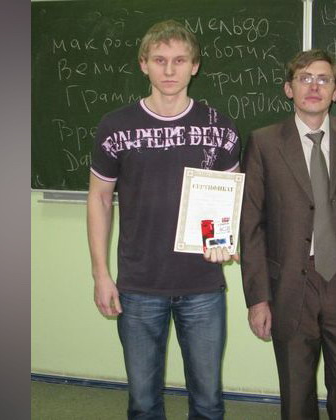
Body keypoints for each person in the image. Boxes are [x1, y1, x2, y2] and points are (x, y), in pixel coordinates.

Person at [86, 20, 240, 420]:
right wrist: (101, 275)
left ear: (195, 66)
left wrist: (222, 240)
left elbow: (226, 200)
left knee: (208, 402)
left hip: (202, 284)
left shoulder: (220, 127)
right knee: (142, 402)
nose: (169, 70)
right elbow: (99, 199)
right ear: (143, 64)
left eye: (179, 60)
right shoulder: (115, 127)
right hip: (138, 285)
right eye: (159, 60)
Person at [240, 49, 336, 420]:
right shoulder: (263, 142)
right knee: (296, 391)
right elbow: (251, 226)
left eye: (324, 79)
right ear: (288, 88)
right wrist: (258, 297)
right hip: (290, 285)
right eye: (304, 78)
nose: (314, 87)